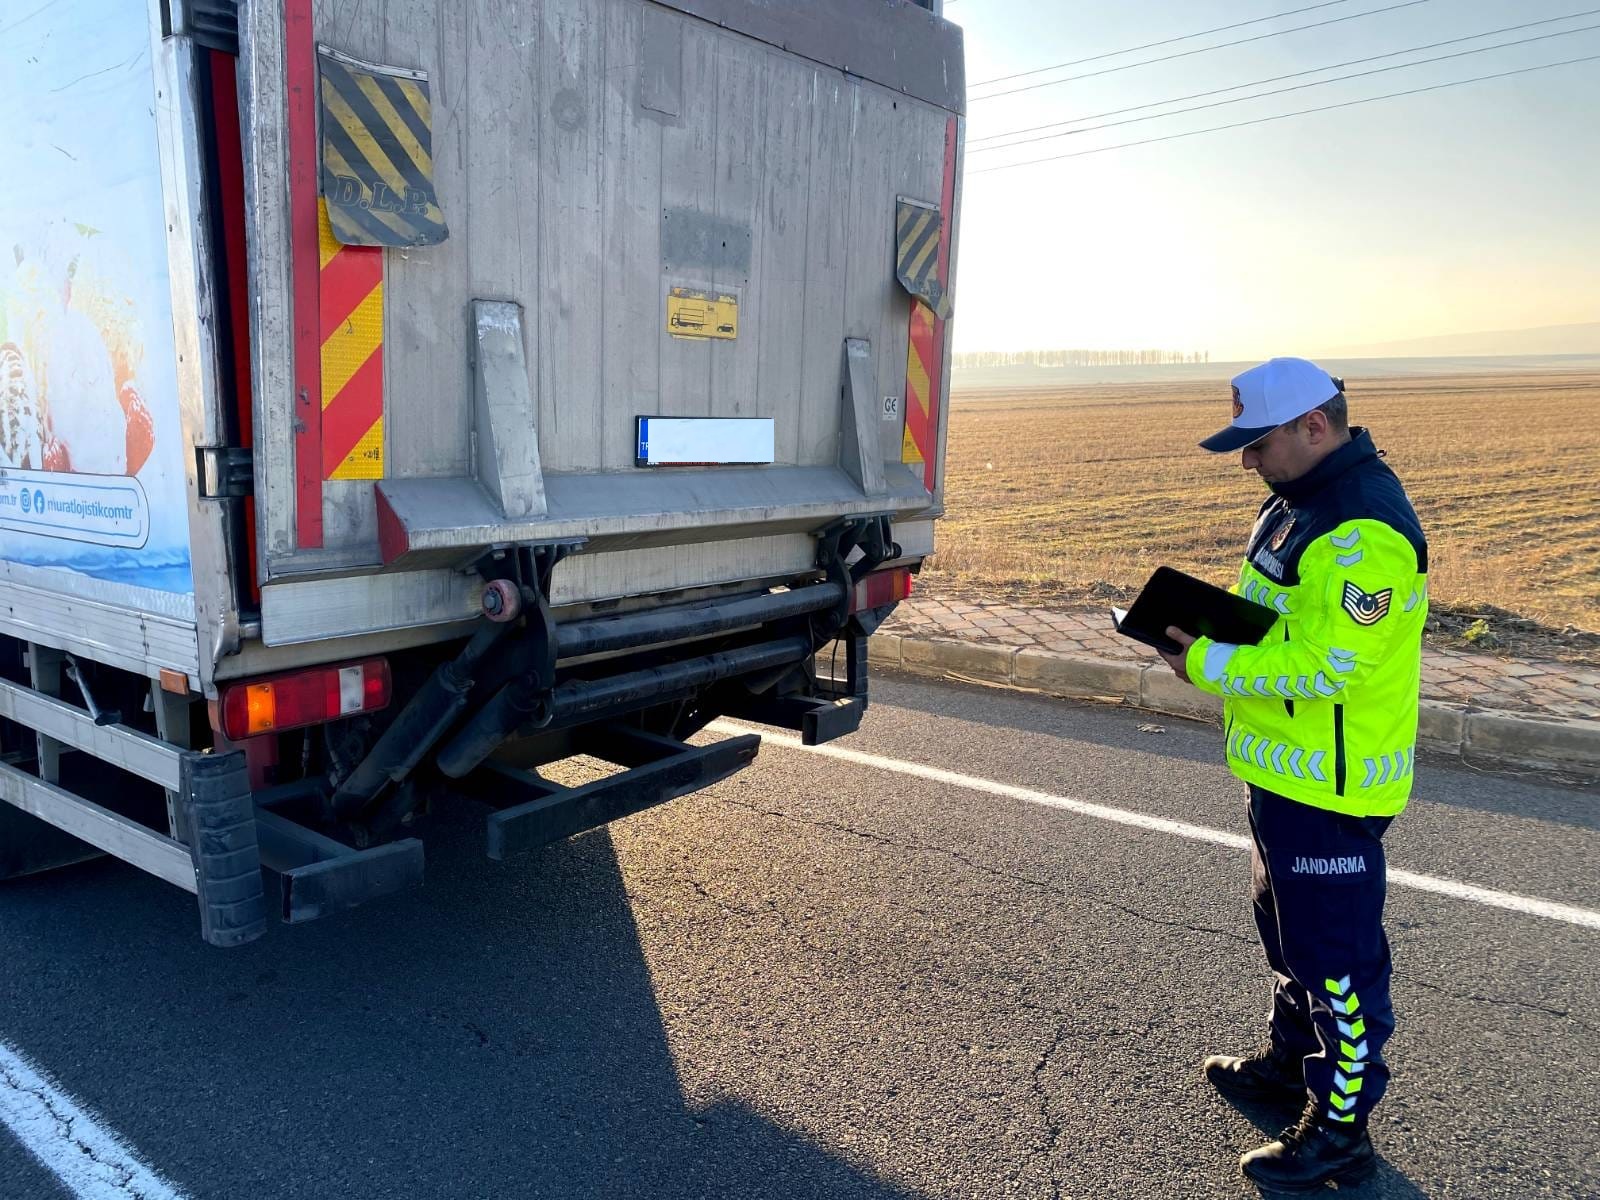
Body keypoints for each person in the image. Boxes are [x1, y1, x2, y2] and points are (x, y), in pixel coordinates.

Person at [1156, 357, 1428, 1191]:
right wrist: (1205, 623)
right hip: (1284, 773)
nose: (1246, 462)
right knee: (1287, 934)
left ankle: (1342, 1133)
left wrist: (1203, 659)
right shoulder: (1298, 502)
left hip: (1330, 790)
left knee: (1337, 967)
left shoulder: (1364, 529)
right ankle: (1289, 1065)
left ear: (1316, 426)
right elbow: (1280, 624)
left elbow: (1331, 665)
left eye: (1256, 442)